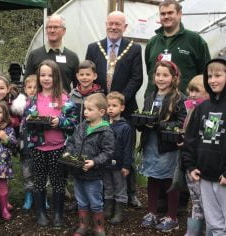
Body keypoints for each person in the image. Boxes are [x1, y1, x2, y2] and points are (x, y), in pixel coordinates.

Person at [183, 57, 226, 236]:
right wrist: (191, 165)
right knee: (214, 225)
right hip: (205, 176)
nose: (212, 80)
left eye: (218, 75)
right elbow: (192, 138)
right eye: (209, 76)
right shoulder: (204, 107)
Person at [85, 10, 143, 208]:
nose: (114, 27)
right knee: (100, 150)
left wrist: (118, 103)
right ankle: (103, 192)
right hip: (100, 112)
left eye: (118, 24)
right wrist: (102, 104)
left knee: (126, 150)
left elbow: (137, 78)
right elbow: (90, 75)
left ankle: (130, 192)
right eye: (111, 23)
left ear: (125, 27)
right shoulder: (94, 48)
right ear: (106, 24)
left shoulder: (134, 49)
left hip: (125, 110)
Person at [23, 59, 77, 227]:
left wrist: (59, 122)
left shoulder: (63, 98)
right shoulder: (32, 99)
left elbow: (73, 122)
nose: (46, 78)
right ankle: (41, 214)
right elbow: (26, 123)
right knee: (39, 181)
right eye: (42, 75)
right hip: (38, 148)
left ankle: (58, 215)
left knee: (58, 182)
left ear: (56, 77)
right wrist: (33, 121)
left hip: (57, 147)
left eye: (50, 75)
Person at [138, 60, 186, 232]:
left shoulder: (179, 99)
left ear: (174, 78)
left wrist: (160, 124)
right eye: (158, 75)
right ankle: (152, 212)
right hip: (151, 144)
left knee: (168, 180)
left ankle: (172, 216)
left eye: (165, 75)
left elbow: (181, 123)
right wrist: (141, 122)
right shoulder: (150, 96)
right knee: (152, 178)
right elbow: (144, 115)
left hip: (167, 147)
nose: (161, 78)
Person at [66, 93, 114, 236]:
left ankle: (99, 227)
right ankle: (83, 225)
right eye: (85, 109)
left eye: (90, 109)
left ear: (101, 112)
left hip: (94, 175)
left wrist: (94, 162)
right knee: (81, 200)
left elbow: (108, 152)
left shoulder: (106, 131)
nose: (85, 112)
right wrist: (69, 154)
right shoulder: (81, 127)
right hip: (78, 172)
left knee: (95, 201)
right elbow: (71, 142)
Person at [145, 0, 210, 96]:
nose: (166, 16)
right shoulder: (152, 42)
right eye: (163, 14)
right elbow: (150, 71)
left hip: (185, 101)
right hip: (154, 102)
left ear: (179, 14)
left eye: (170, 13)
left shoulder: (194, 39)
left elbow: (205, 73)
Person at [182, 75, 210, 236]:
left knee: (204, 202)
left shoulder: (209, 112)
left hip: (202, 163)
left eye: (196, 91)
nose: (192, 94)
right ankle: (193, 230)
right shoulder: (191, 108)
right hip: (190, 163)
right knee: (196, 201)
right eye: (190, 90)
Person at [24, 14, 79, 93]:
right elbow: (26, 83)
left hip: (63, 104)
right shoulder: (34, 55)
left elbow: (77, 87)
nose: (52, 30)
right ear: (46, 30)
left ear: (64, 31)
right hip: (40, 103)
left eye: (56, 27)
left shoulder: (72, 57)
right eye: (49, 27)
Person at [103, 91, 134, 225]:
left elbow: (128, 148)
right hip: (105, 163)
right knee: (108, 187)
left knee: (120, 187)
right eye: (108, 105)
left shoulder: (125, 127)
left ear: (122, 108)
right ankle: (108, 209)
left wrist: (126, 166)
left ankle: (119, 212)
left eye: (114, 106)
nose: (110, 108)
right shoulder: (103, 124)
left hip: (119, 165)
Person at [15, 74, 37, 210]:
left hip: (41, 141)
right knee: (27, 169)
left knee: (41, 169)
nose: (33, 90)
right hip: (25, 141)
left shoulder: (43, 101)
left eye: (36, 87)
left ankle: (42, 194)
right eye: (30, 87)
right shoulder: (21, 104)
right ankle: (29, 194)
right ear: (25, 88)